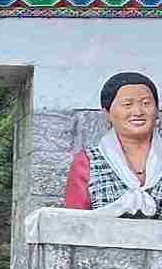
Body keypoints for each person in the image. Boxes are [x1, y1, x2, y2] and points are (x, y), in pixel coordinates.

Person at [63, 71, 161, 216]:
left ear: (157, 111)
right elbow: (73, 222)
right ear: (107, 113)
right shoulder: (87, 162)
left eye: (146, 103)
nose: (138, 111)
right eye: (127, 104)